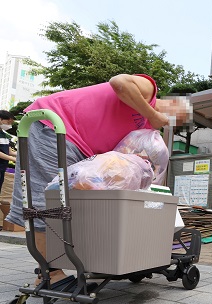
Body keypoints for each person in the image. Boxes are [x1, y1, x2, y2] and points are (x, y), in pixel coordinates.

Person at [5, 74, 191, 289]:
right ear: (175, 103)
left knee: (71, 203)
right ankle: (49, 274)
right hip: (54, 126)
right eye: (179, 117)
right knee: (47, 201)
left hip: (76, 145)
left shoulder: (144, 130)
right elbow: (119, 83)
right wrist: (153, 114)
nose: (174, 123)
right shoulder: (148, 91)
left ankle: (64, 266)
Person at [0, 110, 17, 194]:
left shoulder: (4, 135)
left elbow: (9, 151)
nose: (9, 125)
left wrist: (20, 155)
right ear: (0, 119)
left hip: (2, 168)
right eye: (8, 122)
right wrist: (13, 159)